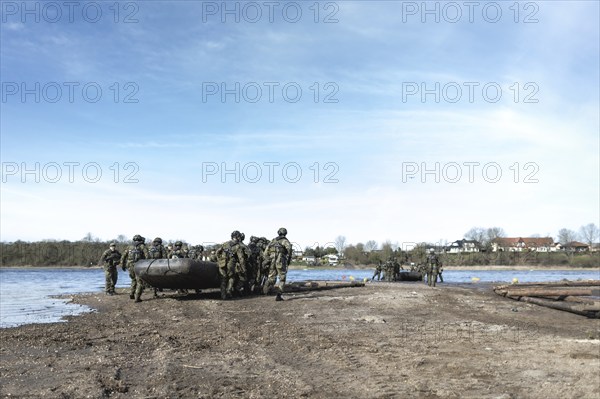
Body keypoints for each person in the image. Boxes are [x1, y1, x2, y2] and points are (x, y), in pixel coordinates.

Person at [263, 227, 292, 300]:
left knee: (272, 277)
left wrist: (268, 259)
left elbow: (266, 252)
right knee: (282, 278)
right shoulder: (285, 241)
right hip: (280, 260)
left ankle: (267, 285)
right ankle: (279, 295)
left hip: (272, 260)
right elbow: (289, 250)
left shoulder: (273, 241)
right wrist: (288, 260)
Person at [216, 231, 247, 300]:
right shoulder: (238, 246)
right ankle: (228, 291)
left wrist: (219, 260)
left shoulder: (225, 244)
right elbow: (241, 259)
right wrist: (243, 269)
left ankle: (223, 295)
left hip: (222, 264)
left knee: (223, 279)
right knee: (231, 277)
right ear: (237, 237)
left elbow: (217, 252)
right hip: (231, 264)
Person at [121, 235, 149, 301]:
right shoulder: (142, 246)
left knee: (133, 279)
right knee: (140, 281)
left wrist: (122, 265)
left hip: (130, 265)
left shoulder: (129, 247)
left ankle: (131, 293)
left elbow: (123, 257)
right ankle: (137, 297)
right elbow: (147, 256)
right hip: (139, 265)